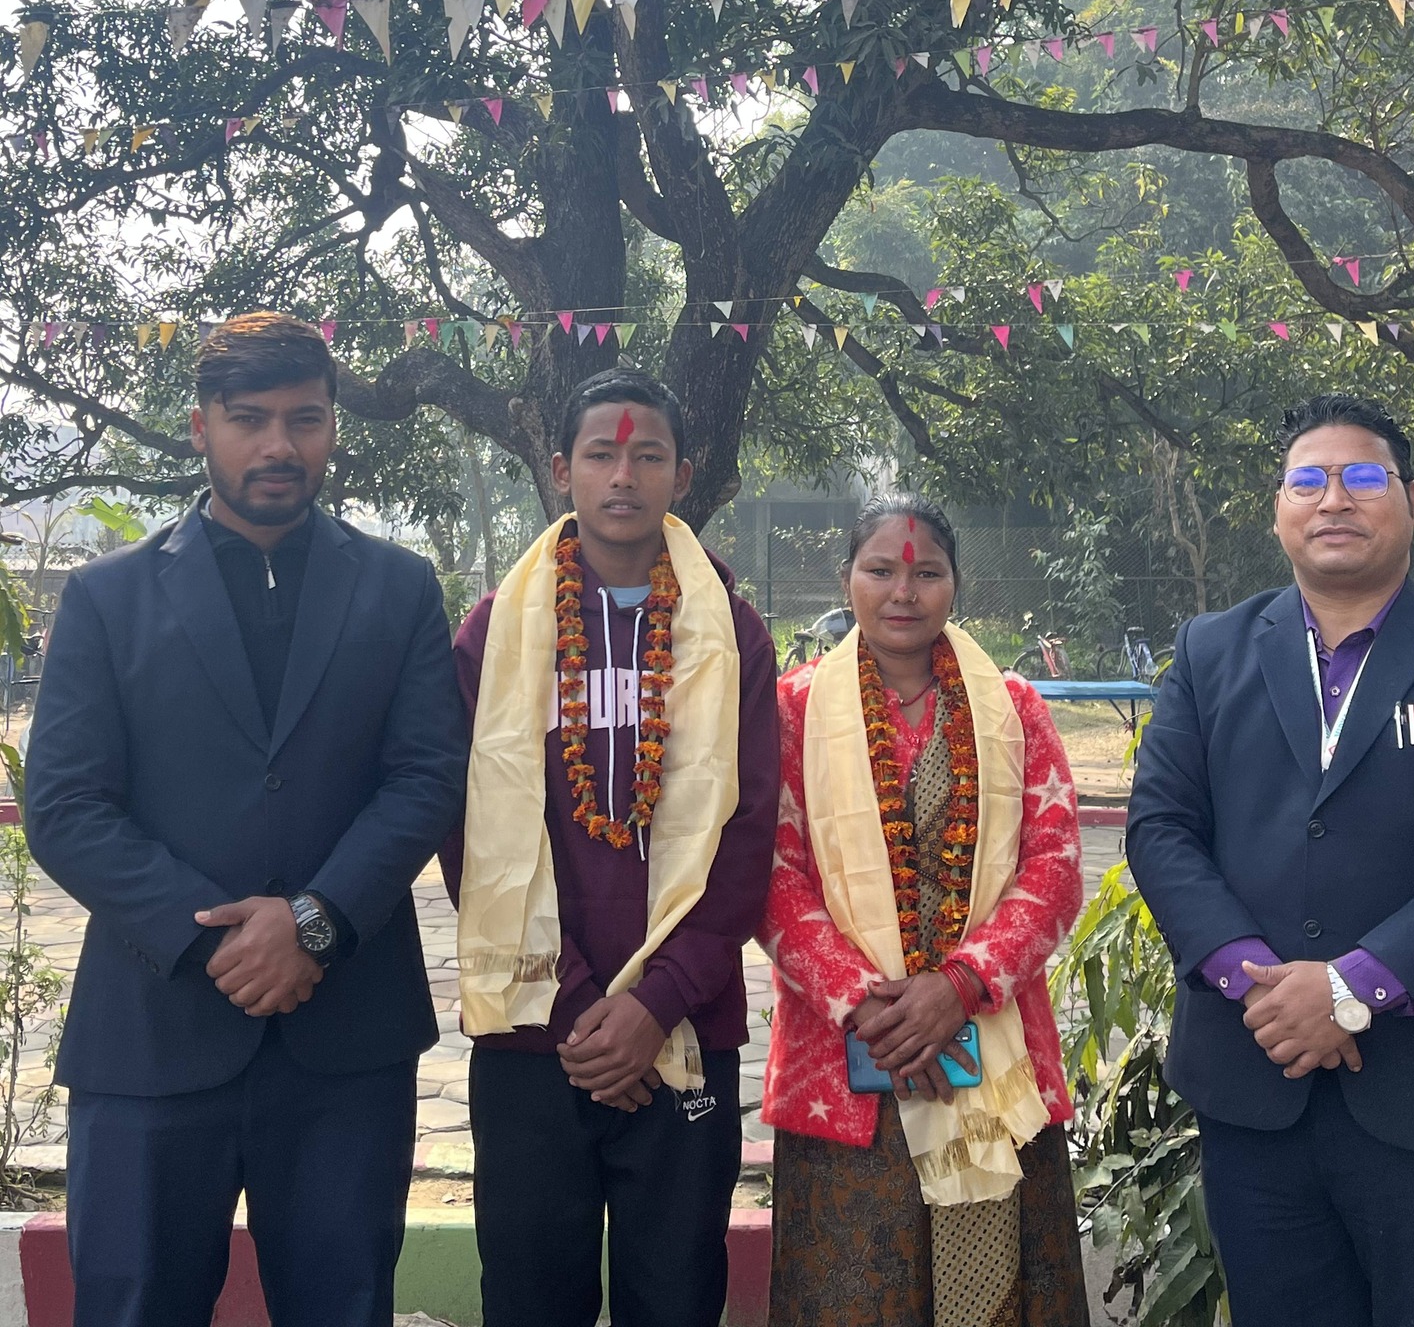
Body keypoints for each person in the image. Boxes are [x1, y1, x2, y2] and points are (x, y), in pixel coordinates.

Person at [25, 312, 467, 1327]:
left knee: (344, 1303)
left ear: (333, 427)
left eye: (304, 419)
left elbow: (425, 777)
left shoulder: (398, 589)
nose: (279, 444)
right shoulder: (108, 598)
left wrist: (313, 921)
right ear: (201, 428)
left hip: (345, 1038)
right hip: (152, 1036)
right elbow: (65, 804)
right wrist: (215, 938)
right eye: (249, 418)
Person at [1126, 391, 1414, 1327]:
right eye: (1307, 480)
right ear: (1279, 509)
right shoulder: (1209, 651)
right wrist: (1257, 984)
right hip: (1256, 1082)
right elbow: (1161, 827)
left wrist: (1351, 988)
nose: (1334, 500)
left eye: (1363, 478)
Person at [443, 367, 779, 1327]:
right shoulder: (494, 633)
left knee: (673, 1296)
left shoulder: (731, 633)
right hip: (531, 1026)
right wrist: (582, 1007)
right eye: (601, 454)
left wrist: (654, 1004)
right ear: (561, 470)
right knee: (529, 1297)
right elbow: (468, 836)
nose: (623, 475)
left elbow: (749, 835)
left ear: (683, 473)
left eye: (648, 455)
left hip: (684, 1026)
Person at [760, 494, 1089, 1327]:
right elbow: (771, 877)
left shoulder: (1013, 707)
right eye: (880, 570)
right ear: (847, 578)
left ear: (955, 585)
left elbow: (1054, 871)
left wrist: (961, 986)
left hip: (994, 1050)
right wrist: (866, 1005)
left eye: (927, 573)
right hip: (847, 1065)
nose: (903, 592)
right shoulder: (791, 709)